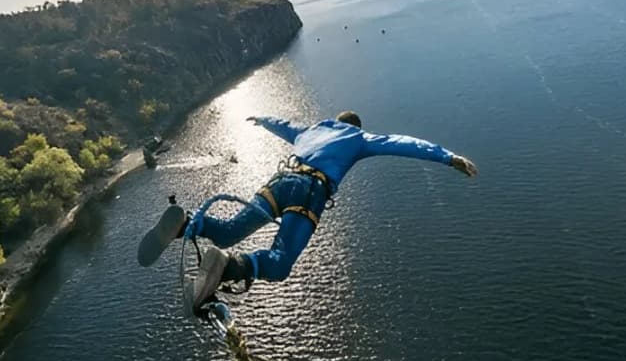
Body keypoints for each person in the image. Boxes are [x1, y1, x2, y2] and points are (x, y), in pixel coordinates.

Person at [138, 110, 478, 308]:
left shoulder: (312, 130)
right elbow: (402, 144)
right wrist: (448, 157)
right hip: (310, 190)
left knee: (228, 231)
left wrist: (261, 118)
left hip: (281, 180)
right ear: (356, 126)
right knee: (279, 263)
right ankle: (226, 267)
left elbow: (283, 123)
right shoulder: (358, 138)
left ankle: (185, 224)